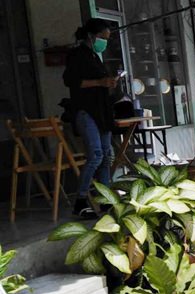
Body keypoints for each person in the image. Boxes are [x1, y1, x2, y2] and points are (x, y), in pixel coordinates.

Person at [63, 18, 118, 218]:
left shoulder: (95, 56)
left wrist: (108, 83)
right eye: (103, 37)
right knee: (96, 155)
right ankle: (80, 201)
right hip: (86, 111)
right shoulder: (77, 55)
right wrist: (99, 82)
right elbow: (71, 81)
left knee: (106, 155)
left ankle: (105, 199)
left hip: (101, 112)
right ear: (91, 36)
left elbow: (100, 82)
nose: (105, 42)